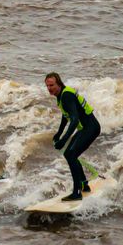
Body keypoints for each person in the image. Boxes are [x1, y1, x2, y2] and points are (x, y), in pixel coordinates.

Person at [45, 72, 101, 201]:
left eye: (52, 85)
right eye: (47, 86)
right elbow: (66, 116)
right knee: (69, 155)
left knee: (71, 155)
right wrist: (59, 133)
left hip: (91, 128)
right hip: (85, 129)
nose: (49, 88)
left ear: (59, 84)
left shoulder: (66, 96)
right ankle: (84, 185)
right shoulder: (61, 96)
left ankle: (77, 193)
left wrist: (64, 140)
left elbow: (74, 120)